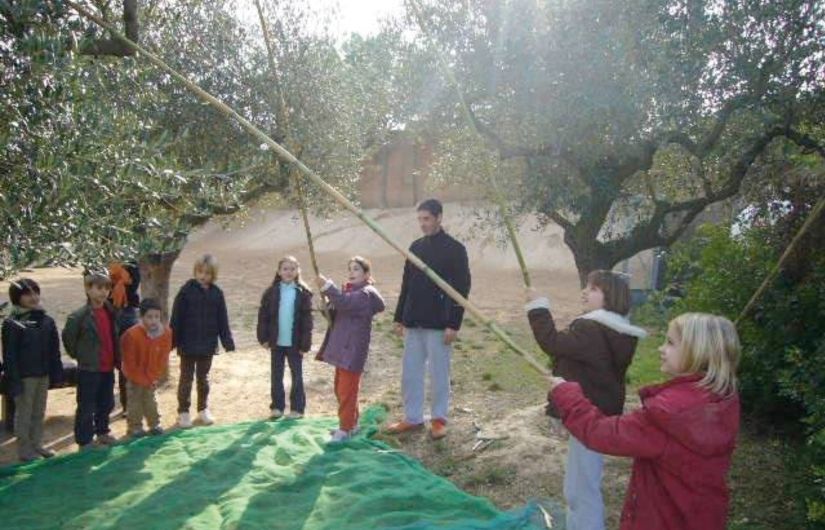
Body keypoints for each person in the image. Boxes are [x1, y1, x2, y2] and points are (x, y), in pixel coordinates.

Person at [548, 313, 741, 530]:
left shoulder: (668, 414)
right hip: (702, 517)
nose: (661, 349)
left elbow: (600, 433)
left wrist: (567, 395)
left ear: (697, 352)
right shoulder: (722, 399)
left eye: (670, 343)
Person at [525, 270, 646, 530]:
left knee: (581, 488)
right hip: (599, 412)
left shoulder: (591, 329)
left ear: (610, 297)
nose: (584, 292)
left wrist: (537, 306)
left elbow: (552, 342)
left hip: (587, 414)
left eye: (593, 289)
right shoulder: (617, 331)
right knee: (583, 481)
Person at [385, 199, 471, 440]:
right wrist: (399, 317)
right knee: (410, 373)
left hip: (439, 323)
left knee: (438, 373)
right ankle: (413, 417)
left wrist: (454, 323)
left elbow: (462, 288)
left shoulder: (455, 249)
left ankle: (438, 419)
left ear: (439, 217)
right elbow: (407, 284)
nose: (422, 224)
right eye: (420, 219)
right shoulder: (415, 247)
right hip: (414, 320)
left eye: (427, 219)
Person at [314, 256, 385, 442]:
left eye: (356, 269)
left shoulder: (366, 295)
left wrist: (327, 287)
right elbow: (340, 312)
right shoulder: (350, 292)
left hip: (352, 351)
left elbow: (346, 303)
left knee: (347, 391)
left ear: (367, 274)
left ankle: (345, 429)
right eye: (350, 269)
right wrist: (326, 307)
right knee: (341, 388)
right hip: (343, 349)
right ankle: (352, 423)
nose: (351, 272)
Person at [1, 279, 64, 461]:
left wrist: (56, 373)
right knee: (24, 414)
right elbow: (9, 355)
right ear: (17, 297)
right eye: (27, 294)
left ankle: (37, 444)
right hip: (24, 377)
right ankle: (25, 449)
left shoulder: (46, 320)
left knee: (38, 412)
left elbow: (54, 350)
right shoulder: (12, 324)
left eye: (36, 293)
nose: (33, 297)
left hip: (43, 373)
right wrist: (14, 380)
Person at [170, 254, 235, 428]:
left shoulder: (217, 294)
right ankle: (183, 412)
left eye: (207, 273)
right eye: (200, 272)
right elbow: (176, 318)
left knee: (203, 379)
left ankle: (202, 409)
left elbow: (222, 320)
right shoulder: (185, 291)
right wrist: (172, 341)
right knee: (186, 378)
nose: (203, 276)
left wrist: (227, 341)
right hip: (187, 343)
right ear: (195, 272)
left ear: (213, 275)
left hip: (207, 344)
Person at [63, 272, 120, 450]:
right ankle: (84, 440)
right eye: (99, 288)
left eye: (107, 288)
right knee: (87, 405)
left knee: (106, 402)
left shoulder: (111, 312)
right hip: (89, 368)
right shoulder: (78, 317)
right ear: (88, 289)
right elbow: (69, 341)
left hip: (108, 367)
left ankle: (102, 431)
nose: (103, 292)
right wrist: (82, 356)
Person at [256, 256, 313, 419]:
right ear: (279, 271)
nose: (289, 272)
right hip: (276, 342)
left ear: (298, 271)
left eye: (292, 269)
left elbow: (307, 321)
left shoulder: (303, 293)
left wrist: (305, 344)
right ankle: (277, 407)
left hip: (295, 343)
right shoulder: (271, 292)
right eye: (285, 269)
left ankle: (297, 409)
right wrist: (263, 338)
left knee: (297, 375)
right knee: (276, 375)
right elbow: (263, 317)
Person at [120, 298, 172, 438]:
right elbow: (129, 361)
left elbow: (163, 357)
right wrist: (140, 378)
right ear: (141, 317)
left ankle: (154, 424)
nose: (153, 320)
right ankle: (135, 427)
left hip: (151, 375)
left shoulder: (166, 333)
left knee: (150, 400)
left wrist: (154, 376)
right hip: (134, 376)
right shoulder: (131, 335)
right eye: (149, 317)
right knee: (134, 401)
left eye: (156, 316)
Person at [109, 261, 141, 413]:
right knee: (108, 360)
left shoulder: (130, 261)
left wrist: (120, 279)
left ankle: (127, 404)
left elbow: (134, 281)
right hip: (108, 311)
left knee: (127, 362)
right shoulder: (102, 261)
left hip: (129, 312)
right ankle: (106, 405)